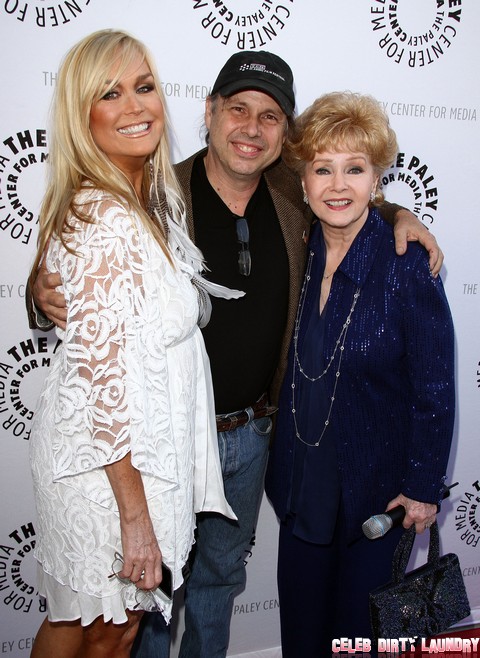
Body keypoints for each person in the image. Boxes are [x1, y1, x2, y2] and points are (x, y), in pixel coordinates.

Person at [28, 52, 444, 658]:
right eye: (239, 109)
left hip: (252, 436)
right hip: (158, 441)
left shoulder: (294, 195)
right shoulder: (156, 188)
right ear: (209, 112)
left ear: (286, 135)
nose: (252, 128)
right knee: (135, 605)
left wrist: (403, 215)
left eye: (271, 116)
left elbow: (349, 191)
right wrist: (42, 296)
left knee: (218, 581)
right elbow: (79, 260)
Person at [27, 29, 238, 658]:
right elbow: (102, 382)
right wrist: (135, 517)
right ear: (81, 115)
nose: (135, 106)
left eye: (144, 87)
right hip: (110, 471)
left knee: (114, 631)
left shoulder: (151, 197)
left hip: (151, 457)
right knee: (92, 627)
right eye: (109, 94)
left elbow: (335, 176)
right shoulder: (101, 214)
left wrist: (399, 215)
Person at [264, 91, 455, 656]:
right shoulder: (301, 250)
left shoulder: (406, 265)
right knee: (301, 634)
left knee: (358, 640)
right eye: (323, 169)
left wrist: (422, 490)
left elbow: (435, 389)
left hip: (377, 497)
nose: (338, 185)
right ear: (303, 184)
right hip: (301, 488)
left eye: (355, 169)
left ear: (377, 180)